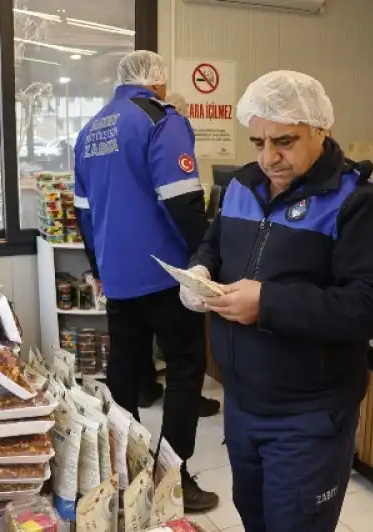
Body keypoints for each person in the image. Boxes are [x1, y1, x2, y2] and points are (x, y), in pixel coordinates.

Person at [180, 70, 373, 531]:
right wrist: (199, 271)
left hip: (309, 415)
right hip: (242, 402)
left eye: (284, 141)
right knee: (255, 518)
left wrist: (268, 303)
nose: (269, 158)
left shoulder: (360, 201)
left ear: (321, 130)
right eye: (258, 142)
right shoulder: (242, 186)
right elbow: (213, 246)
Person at [73, 50, 219, 512]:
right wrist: (207, 257)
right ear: (158, 84)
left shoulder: (90, 130)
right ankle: (173, 479)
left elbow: (83, 213)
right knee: (184, 370)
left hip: (117, 276)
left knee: (125, 373)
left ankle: (125, 472)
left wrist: (100, 269)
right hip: (165, 275)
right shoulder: (160, 119)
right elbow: (182, 201)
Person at [137, 91, 221, 419]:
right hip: (170, 260)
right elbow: (184, 206)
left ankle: (145, 388)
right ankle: (188, 404)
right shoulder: (171, 127)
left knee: (143, 336)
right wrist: (202, 250)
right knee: (183, 349)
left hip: (136, 263)